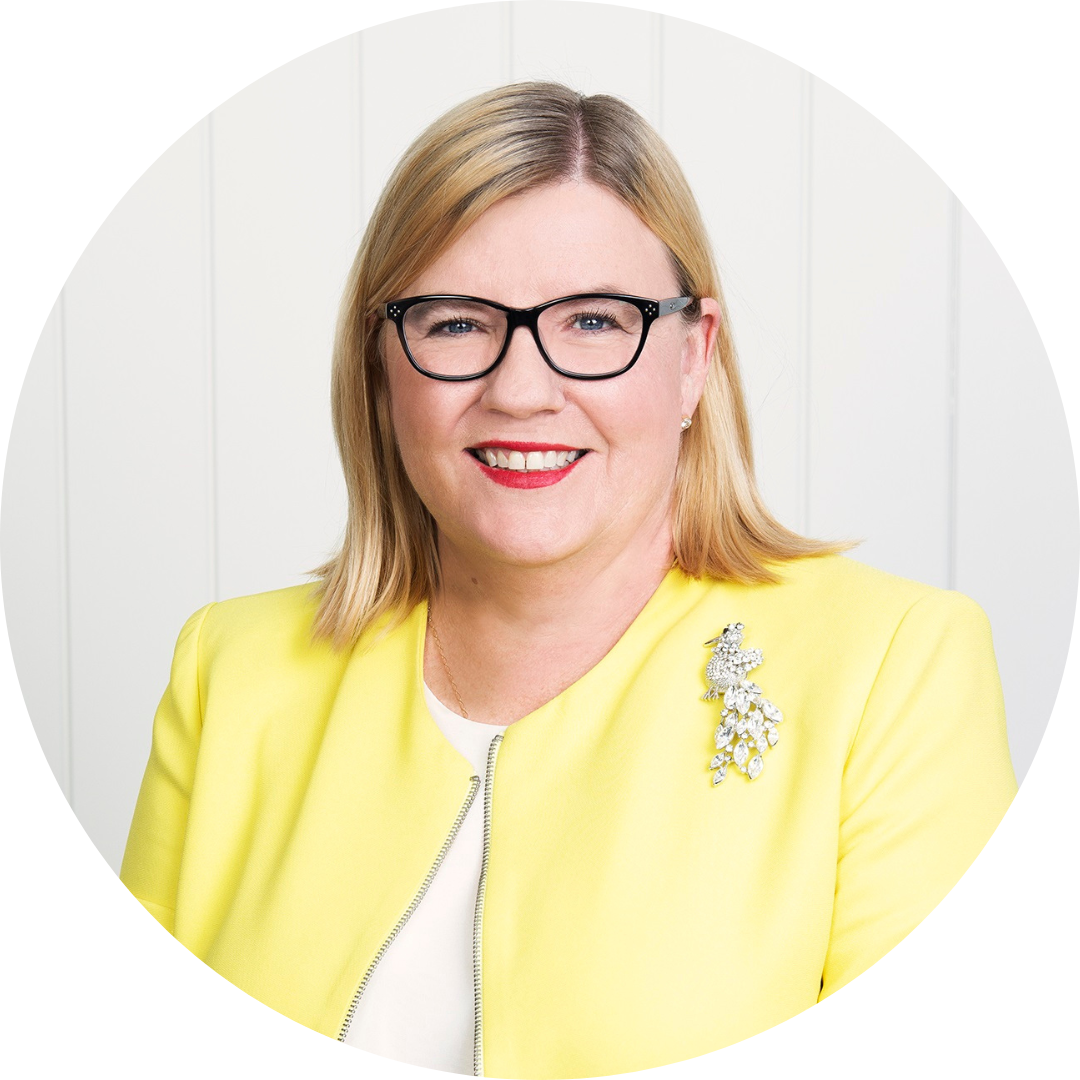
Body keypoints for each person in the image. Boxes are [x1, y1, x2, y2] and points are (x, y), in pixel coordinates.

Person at [120, 82, 1017, 1077]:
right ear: (382, 365)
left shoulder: (894, 668)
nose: (520, 389)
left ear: (692, 359)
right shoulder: (229, 670)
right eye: (458, 323)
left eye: (593, 322)